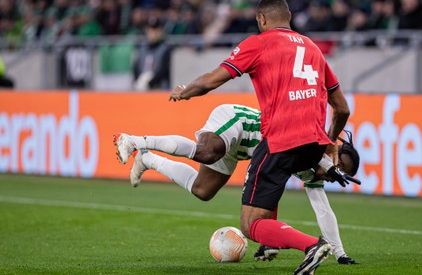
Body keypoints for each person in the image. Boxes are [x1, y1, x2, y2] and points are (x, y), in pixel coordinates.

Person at [167, 0, 351, 275]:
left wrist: (184, 92)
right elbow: (342, 109)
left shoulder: (258, 43)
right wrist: (330, 144)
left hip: (281, 140)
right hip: (313, 144)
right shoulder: (313, 48)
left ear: (261, 19)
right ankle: (276, 246)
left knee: (250, 223)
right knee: (276, 188)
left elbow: (211, 80)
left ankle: (314, 246)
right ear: (288, 17)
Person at [113, 104, 360, 265]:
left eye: (338, 175)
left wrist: (341, 254)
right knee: (207, 152)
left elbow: (322, 209)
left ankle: (148, 159)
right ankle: (134, 140)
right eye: (338, 168)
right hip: (238, 122)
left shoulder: (313, 173)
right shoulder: (313, 145)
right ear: (334, 154)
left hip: (242, 151)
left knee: (203, 190)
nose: (332, 176)